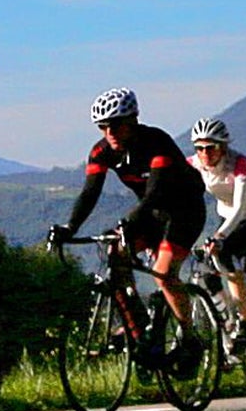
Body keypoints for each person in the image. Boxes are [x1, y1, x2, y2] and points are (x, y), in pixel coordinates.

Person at [50, 89, 207, 346]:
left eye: (115, 125)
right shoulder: (102, 152)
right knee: (116, 255)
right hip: (152, 212)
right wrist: (70, 226)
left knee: (163, 273)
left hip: (184, 211)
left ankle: (189, 337)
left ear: (132, 120)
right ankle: (138, 326)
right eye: (102, 126)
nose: (109, 132)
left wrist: (131, 220)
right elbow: (90, 192)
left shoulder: (156, 142)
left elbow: (155, 191)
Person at [187, 117, 246, 348]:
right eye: (199, 148)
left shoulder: (238, 163)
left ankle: (245, 322)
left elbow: (239, 208)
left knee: (225, 254)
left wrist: (219, 237)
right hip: (227, 220)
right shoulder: (194, 163)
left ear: (223, 146)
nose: (205, 153)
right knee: (207, 270)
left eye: (211, 147)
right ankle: (228, 318)